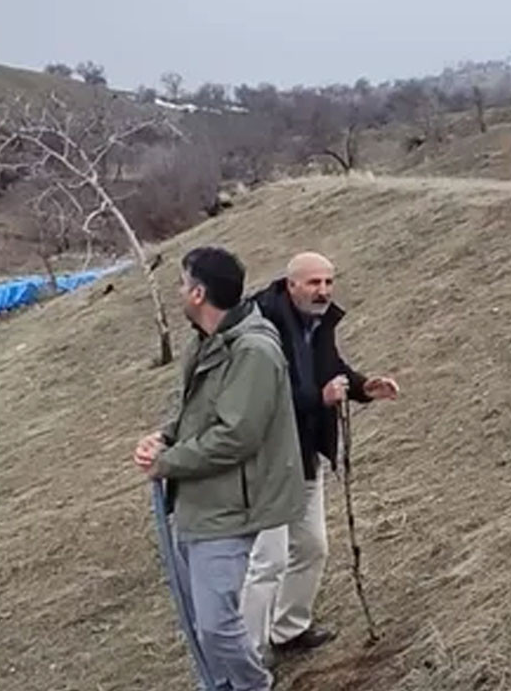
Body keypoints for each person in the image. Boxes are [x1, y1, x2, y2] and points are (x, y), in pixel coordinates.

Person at [133, 246, 305, 690]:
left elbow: (236, 435)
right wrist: (165, 437)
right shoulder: (207, 341)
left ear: (198, 294)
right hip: (199, 500)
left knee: (216, 625)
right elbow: (195, 413)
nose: (178, 291)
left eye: (182, 283)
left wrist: (168, 462)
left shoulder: (253, 351)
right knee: (199, 622)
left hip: (231, 508)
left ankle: (253, 685)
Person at [240, 252, 399, 662]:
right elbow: (260, 398)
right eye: (314, 283)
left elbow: (331, 366)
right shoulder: (259, 325)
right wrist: (319, 398)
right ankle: (248, 655)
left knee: (312, 546)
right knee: (268, 560)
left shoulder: (317, 320)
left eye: (328, 282)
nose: (324, 291)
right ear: (291, 283)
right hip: (269, 457)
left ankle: (289, 629)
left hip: (306, 451)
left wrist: (363, 386)